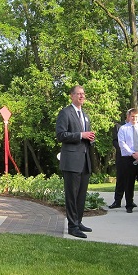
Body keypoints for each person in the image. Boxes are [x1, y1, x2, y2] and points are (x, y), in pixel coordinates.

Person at [56, 85, 96, 238]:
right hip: (71, 161)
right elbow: (61, 135)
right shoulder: (65, 113)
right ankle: (72, 227)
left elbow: (86, 136)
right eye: (78, 94)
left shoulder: (84, 114)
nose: (82, 96)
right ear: (71, 96)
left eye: (83, 94)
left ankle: (78, 221)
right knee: (72, 195)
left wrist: (90, 138)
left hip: (84, 160)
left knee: (81, 194)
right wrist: (81, 135)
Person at [109, 108, 138, 213]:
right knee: (128, 183)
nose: (134, 118)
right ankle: (129, 205)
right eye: (132, 116)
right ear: (128, 117)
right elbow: (122, 143)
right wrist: (132, 153)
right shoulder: (123, 129)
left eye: (136, 117)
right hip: (128, 158)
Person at [111, 117, 127, 210]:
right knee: (120, 179)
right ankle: (117, 201)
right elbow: (114, 141)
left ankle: (130, 201)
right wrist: (122, 149)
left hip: (133, 157)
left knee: (132, 180)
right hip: (121, 157)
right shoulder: (118, 126)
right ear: (127, 116)